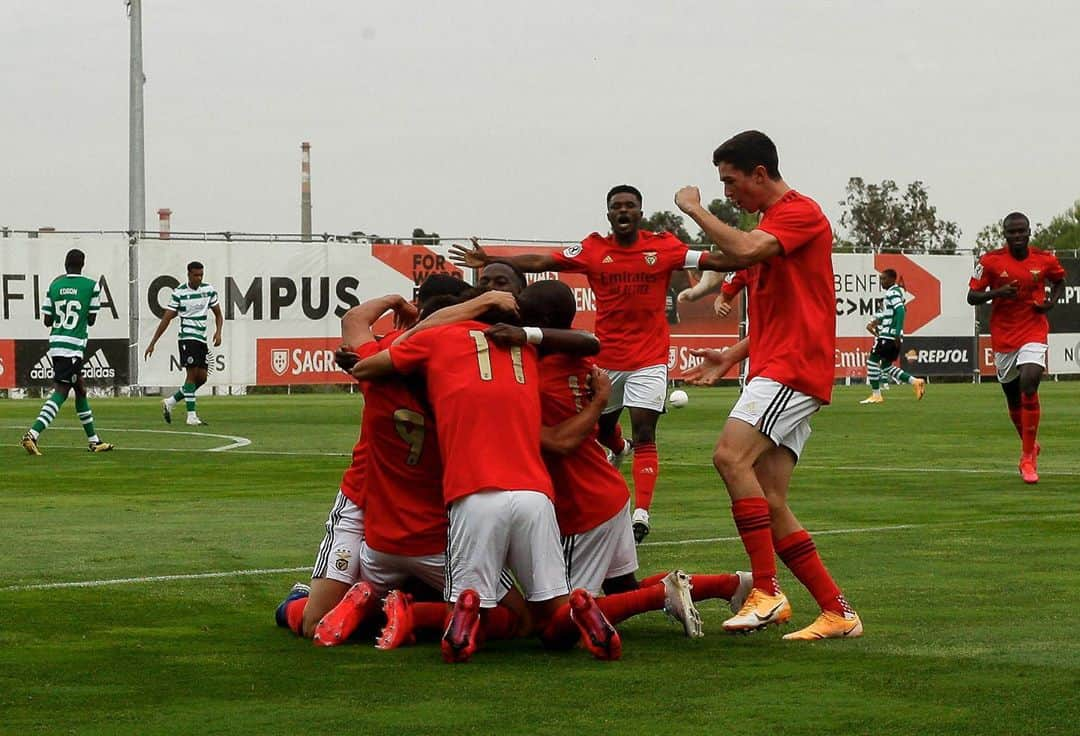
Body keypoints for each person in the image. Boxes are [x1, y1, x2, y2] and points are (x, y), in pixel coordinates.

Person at [347, 287, 625, 662]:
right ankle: (582, 611)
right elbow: (587, 342)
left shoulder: (437, 338)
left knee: (464, 609)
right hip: (535, 495)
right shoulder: (522, 346)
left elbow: (364, 367)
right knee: (549, 617)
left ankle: (461, 622)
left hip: (473, 492)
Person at [449, 186, 729, 544]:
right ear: (609, 214)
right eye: (617, 206)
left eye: (630, 205)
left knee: (645, 430)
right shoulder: (594, 249)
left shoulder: (664, 246)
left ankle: (640, 513)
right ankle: (619, 449)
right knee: (597, 431)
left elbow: (714, 262)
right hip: (606, 358)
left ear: (640, 213)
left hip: (649, 358)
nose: (624, 211)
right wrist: (491, 259)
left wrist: (755, 253)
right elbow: (543, 262)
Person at [674, 129, 863, 640]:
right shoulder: (772, 228)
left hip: (792, 369)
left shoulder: (798, 213)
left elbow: (740, 251)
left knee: (729, 458)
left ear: (760, 173)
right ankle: (836, 610)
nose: (727, 192)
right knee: (771, 497)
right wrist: (732, 355)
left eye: (730, 182)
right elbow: (777, 317)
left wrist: (693, 209)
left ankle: (766, 590)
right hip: (778, 365)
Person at [968, 212, 1066, 483]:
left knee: (1030, 380)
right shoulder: (990, 261)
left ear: (1029, 231)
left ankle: (1026, 459)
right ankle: (1030, 444)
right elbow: (972, 296)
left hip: (1033, 329)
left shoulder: (1044, 260)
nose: (1017, 236)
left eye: (1021, 231)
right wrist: (997, 293)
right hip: (1003, 337)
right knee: (1013, 399)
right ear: (1005, 234)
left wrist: (1051, 302)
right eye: (1012, 232)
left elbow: (1059, 281)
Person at [21, 249, 115, 455]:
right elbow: (91, 319)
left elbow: (47, 320)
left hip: (56, 342)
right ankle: (32, 434)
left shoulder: (55, 285)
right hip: (73, 345)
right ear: (83, 265)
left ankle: (94, 441)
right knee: (62, 391)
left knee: (80, 389)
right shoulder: (91, 286)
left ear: (65, 264)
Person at [144, 261, 223, 426]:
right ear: (188, 274)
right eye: (195, 275)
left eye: (201, 275)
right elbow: (166, 318)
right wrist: (153, 342)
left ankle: (171, 402)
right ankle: (191, 416)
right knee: (191, 375)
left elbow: (218, 314)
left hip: (201, 339)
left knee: (201, 378)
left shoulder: (208, 290)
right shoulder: (179, 293)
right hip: (187, 338)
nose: (199, 278)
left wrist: (218, 331)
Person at [860, 268, 926, 404]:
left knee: (872, 361)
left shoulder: (892, 293)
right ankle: (915, 382)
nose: (881, 282)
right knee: (886, 366)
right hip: (891, 335)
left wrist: (896, 333)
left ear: (892, 279)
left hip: (889, 336)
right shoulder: (896, 293)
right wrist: (877, 320)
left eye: (883, 279)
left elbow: (900, 311)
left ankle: (876, 395)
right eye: (880, 279)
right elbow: (892, 313)